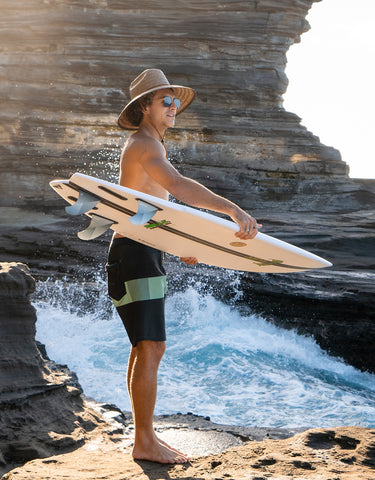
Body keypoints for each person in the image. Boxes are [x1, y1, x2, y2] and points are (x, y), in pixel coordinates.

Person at [106, 68, 261, 464]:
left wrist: (176, 244)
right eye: (165, 101)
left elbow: (151, 209)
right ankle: (144, 442)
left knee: (144, 347)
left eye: (175, 101)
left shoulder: (148, 145)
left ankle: (144, 437)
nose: (174, 107)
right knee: (152, 346)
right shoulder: (144, 145)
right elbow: (177, 186)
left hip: (143, 249)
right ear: (144, 107)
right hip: (134, 253)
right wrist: (231, 209)